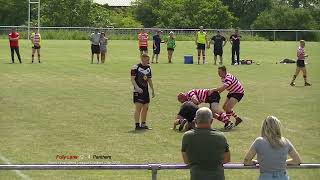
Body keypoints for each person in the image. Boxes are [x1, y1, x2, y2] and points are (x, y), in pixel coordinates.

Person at [243, 116, 301, 180]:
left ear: (264, 127)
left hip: (265, 177)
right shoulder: (285, 141)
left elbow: (246, 161)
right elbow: (297, 161)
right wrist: (281, 162)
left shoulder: (259, 141)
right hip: (283, 177)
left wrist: (257, 162)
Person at [181, 107, 230, 180]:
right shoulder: (221, 137)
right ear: (212, 121)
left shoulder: (187, 136)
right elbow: (227, 159)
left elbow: (186, 161)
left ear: (195, 120)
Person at [131, 54, 155, 130]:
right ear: (142, 59)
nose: (148, 61)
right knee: (139, 107)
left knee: (146, 107)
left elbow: (149, 79)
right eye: (147, 60)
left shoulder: (148, 68)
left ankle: (143, 124)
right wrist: (137, 88)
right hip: (138, 91)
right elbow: (132, 79)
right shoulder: (135, 67)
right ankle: (137, 125)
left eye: (148, 60)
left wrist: (152, 89)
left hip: (145, 91)